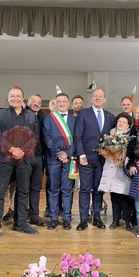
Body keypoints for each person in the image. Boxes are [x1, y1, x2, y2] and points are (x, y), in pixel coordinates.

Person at [0, 86, 38, 240]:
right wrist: (11, 149)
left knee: (23, 191)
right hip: (4, 158)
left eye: (18, 96)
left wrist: (22, 150)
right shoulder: (0, 115)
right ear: (8, 98)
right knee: (0, 193)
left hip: (24, 158)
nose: (15, 98)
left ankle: (21, 223)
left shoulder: (31, 116)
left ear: (22, 98)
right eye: (12, 96)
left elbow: (35, 138)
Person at [74, 88, 115, 231]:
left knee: (99, 189)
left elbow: (113, 139)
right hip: (86, 158)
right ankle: (83, 219)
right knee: (85, 189)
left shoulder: (110, 116)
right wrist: (81, 154)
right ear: (91, 99)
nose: (97, 98)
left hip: (103, 160)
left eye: (100, 96)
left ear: (104, 99)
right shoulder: (83, 114)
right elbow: (77, 136)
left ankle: (96, 216)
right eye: (95, 96)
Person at [43, 92, 76, 230]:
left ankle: (67, 218)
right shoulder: (48, 118)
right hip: (53, 159)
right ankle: (53, 218)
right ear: (55, 104)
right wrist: (59, 153)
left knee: (67, 189)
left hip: (69, 160)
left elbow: (77, 138)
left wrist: (67, 154)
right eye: (59, 101)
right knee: (53, 189)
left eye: (64, 101)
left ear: (68, 103)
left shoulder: (75, 120)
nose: (61, 104)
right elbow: (47, 138)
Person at [98, 112, 134, 230]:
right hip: (112, 168)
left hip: (124, 169)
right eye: (119, 122)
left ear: (128, 125)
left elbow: (133, 152)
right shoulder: (110, 135)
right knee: (114, 196)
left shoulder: (131, 136)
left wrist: (122, 156)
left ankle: (128, 220)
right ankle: (115, 220)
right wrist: (110, 153)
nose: (121, 124)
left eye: (124, 122)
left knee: (125, 195)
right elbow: (104, 150)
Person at [25, 94, 46, 226]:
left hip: (38, 157)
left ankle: (34, 215)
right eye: (33, 101)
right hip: (24, 157)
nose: (36, 104)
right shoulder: (21, 115)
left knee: (36, 188)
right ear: (28, 102)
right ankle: (20, 216)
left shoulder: (44, 117)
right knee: (22, 188)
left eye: (39, 102)